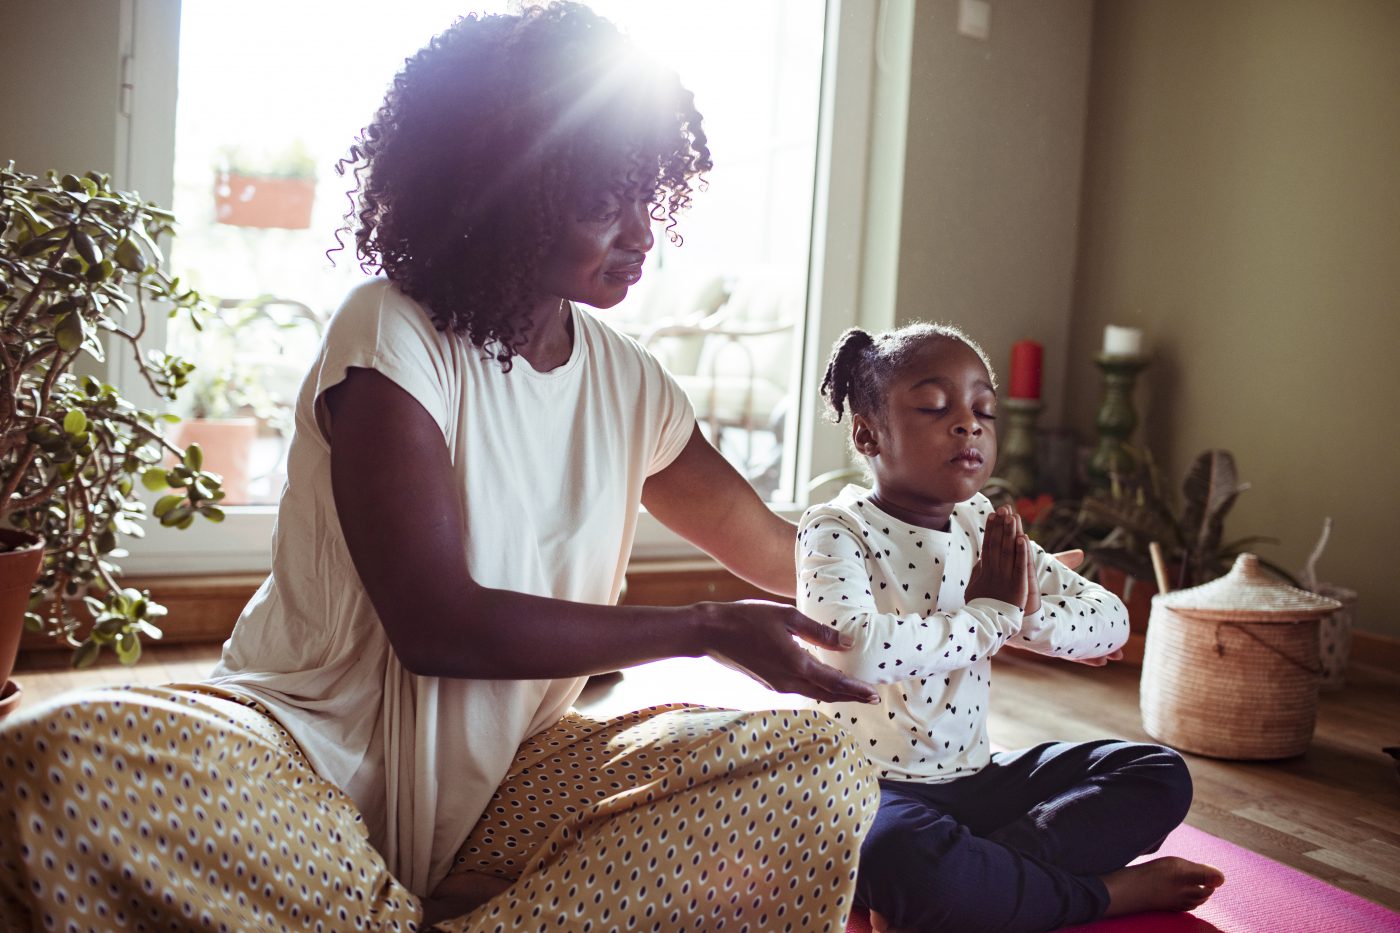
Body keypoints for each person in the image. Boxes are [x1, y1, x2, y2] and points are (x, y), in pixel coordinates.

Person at [0, 6, 882, 931]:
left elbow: (787, 557)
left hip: (511, 787)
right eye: (601, 201)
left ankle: (385, 914)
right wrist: (701, 626)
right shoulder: (391, 328)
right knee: (43, 764)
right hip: (301, 755)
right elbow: (436, 624)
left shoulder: (629, 381)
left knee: (819, 772)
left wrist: (989, 578)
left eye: (646, 195)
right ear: (507, 190)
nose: (641, 233)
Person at [797, 323, 1226, 932]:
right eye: (933, 406)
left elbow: (1111, 622)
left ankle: (973, 882)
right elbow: (851, 654)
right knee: (899, 852)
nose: (969, 424)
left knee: (1157, 774)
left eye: (984, 411)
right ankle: (1101, 894)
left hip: (977, 782)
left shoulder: (983, 523)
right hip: (872, 789)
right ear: (868, 434)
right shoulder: (834, 529)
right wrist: (993, 615)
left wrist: (1021, 617)